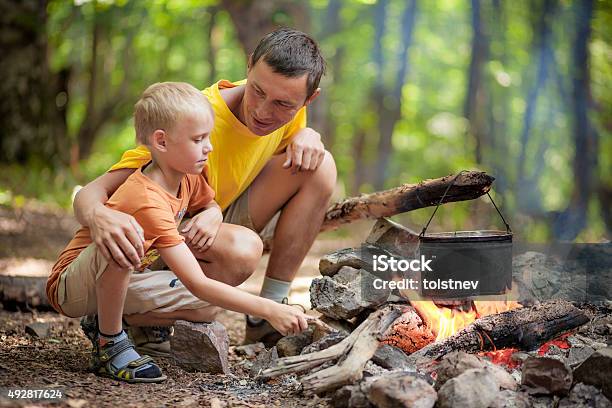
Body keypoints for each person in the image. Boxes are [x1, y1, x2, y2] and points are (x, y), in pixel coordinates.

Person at [73, 27, 337, 346]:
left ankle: (266, 317)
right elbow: (92, 191)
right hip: (158, 237)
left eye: (283, 104)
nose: (263, 111)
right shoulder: (195, 118)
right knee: (240, 254)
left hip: (211, 216)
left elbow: (291, 138)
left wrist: (307, 135)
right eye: (257, 91)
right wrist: (99, 217)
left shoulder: (292, 111)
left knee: (320, 165)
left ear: (308, 99)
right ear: (249, 65)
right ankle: (128, 315)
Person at [46, 82, 311, 383]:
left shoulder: (186, 176)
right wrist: (271, 309)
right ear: (161, 142)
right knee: (127, 235)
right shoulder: (145, 198)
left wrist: (213, 212)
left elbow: (207, 201)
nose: (208, 147)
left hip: (127, 278)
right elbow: (195, 282)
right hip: (75, 284)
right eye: (198, 139)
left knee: (210, 305)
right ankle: (110, 344)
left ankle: (106, 320)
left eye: (208, 137)